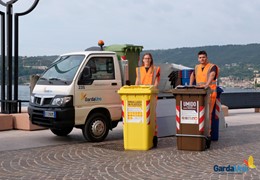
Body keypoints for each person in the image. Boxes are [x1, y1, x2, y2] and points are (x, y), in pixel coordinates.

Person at [189, 50, 219, 144]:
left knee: (208, 114)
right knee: (198, 114)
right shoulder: (197, 67)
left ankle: (207, 135)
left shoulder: (212, 66)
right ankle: (199, 132)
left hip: (210, 93)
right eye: (200, 57)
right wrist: (190, 85)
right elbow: (192, 75)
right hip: (199, 93)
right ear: (198, 59)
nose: (202, 59)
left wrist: (207, 84)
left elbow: (212, 75)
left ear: (207, 58)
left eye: (203, 57)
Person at [135, 53, 160, 147]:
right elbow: (137, 81)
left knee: (152, 116)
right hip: (141, 95)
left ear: (151, 60)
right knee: (141, 115)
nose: (147, 60)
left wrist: (153, 90)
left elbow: (157, 83)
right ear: (143, 60)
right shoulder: (139, 70)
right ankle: (142, 135)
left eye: (149, 58)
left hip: (151, 95)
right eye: (145, 58)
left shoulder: (155, 69)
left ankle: (154, 136)